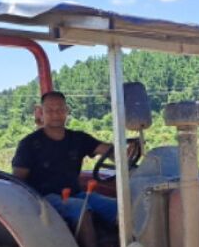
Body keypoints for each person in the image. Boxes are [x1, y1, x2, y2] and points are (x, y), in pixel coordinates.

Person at [11, 91, 119, 228]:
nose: (55, 114)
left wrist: (122, 153)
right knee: (80, 208)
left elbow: (106, 150)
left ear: (67, 111)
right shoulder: (29, 144)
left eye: (60, 109)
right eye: (49, 110)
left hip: (76, 193)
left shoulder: (78, 138)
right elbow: (18, 180)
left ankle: (126, 245)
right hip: (44, 199)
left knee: (118, 207)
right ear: (41, 112)